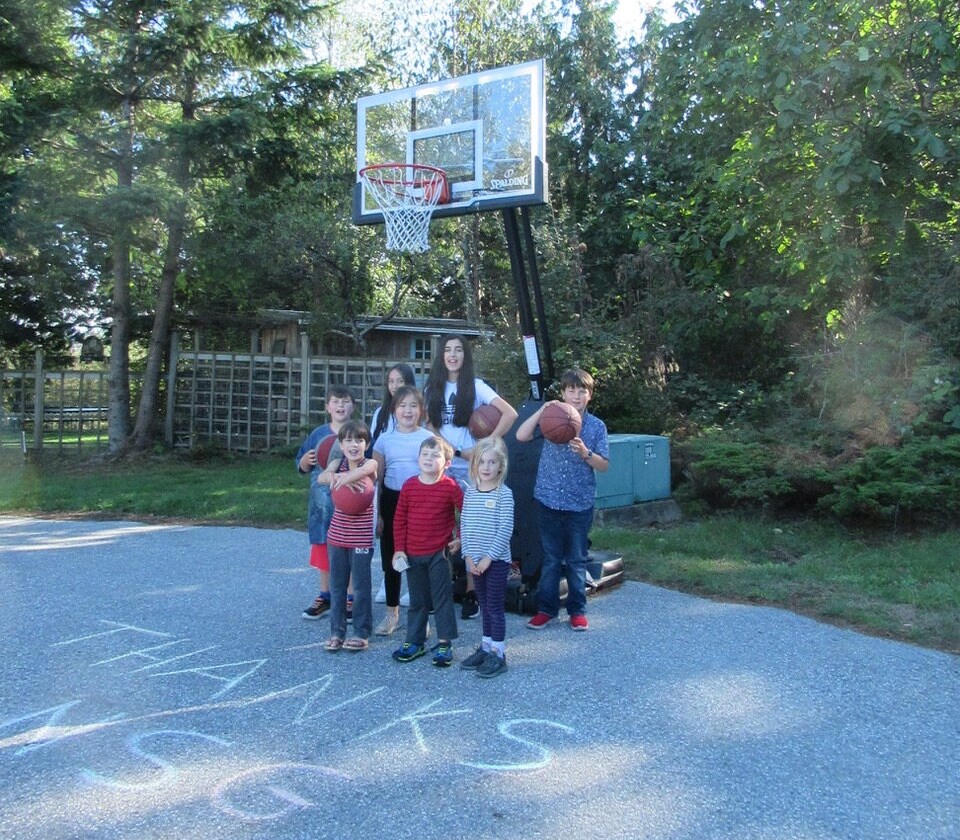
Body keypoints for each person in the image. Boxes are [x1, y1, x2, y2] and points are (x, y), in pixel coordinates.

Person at [424, 334, 517, 620]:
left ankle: (472, 592)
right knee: (437, 526)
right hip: (443, 465)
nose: (452, 355)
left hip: (472, 469)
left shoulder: (476, 387)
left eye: (458, 350)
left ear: (466, 356)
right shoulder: (432, 388)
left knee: (473, 531)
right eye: (448, 350)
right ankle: (434, 589)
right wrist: (445, 449)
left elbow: (509, 414)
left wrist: (480, 448)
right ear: (441, 356)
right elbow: (428, 423)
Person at [515, 368, 609, 632]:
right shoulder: (551, 419)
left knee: (577, 560)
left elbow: (603, 466)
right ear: (563, 394)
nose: (576, 396)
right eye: (571, 390)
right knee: (551, 559)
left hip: (579, 503)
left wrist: (585, 453)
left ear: (589, 395)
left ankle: (577, 611)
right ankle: (546, 610)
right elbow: (521, 435)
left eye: (582, 391)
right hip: (548, 500)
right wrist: (543, 409)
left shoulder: (596, 426)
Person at [390, 435, 464, 667]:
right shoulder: (409, 486)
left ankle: (444, 643)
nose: (429, 459)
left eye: (435, 455)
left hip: (439, 554)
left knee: (442, 600)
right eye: (425, 454)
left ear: (447, 463)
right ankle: (415, 641)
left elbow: (467, 512)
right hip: (412, 553)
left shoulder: (450, 487)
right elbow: (399, 520)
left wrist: (460, 538)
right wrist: (399, 550)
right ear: (418, 458)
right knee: (417, 600)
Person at [372, 385, 433, 636]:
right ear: (394, 410)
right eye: (402, 406)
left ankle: (421, 617)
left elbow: (436, 474)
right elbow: (376, 480)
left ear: (421, 410)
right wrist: (377, 514)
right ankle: (392, 613)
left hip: (421, 502)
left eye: (413, 405)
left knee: (419, 560)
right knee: (392, 559)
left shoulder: (428, 439)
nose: (408, 410)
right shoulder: (384, 440)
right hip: (392, 501)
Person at [295, 385, 355, 619]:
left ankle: (350, 597)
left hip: (348, 501)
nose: (340, 405)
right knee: (322, 546)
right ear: (327, 407)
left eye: (346, 401)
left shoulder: (357, 433)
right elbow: (301, 460)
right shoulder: (318, 434)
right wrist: (304, 463)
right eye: (336, 401)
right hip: (321, 503)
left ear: (353, 406)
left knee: (348, 548)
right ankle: (325, 595)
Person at [458, 436, 515, 678]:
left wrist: (489, 558)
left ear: (500, 466)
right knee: (483, 604)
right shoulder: (470, 493)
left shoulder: (504, 494)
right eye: (482, 462)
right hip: (475, 560)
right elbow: (465, 525)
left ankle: (498, 653)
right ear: (475, 466)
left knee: (494, 606)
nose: (487, 467)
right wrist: (468, 556)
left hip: (496, 561)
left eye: (492, 462)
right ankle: (485, 646)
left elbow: (505, 529)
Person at [321, 421, 378, 652]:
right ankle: (337, 631)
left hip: (362, 538)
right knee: (337, 586)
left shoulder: (370, 463)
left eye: (359, 440)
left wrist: (346, 478)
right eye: (348, 441)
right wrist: (333, 477)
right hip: (337, 536)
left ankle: (362, 633)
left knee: (361, 587)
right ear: (341, 444)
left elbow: (364, 471)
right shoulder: (337, 463)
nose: (354, 445)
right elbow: (322, 477)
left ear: (366, 443)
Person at [368, 363, 417, 454]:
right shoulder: (380, 413)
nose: (395, 386)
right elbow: (372, 441)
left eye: (400, 381)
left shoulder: (417, 412)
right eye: (391, 381)